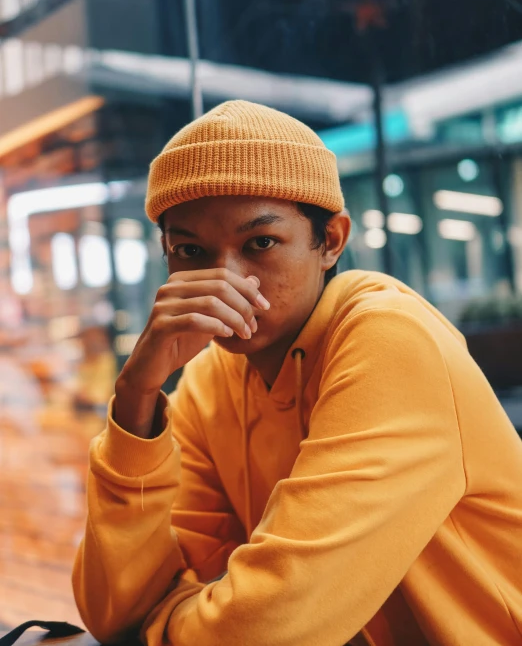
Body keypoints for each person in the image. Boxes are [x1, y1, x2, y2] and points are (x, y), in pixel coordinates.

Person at [73, 100, 522, 646]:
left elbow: (268, 627)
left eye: (260, 243)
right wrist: (135, 399)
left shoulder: (390, 339)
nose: (225, 282)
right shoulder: (210, 380)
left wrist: (165, 626)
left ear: (330, 240)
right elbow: (114, 612)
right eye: (191, 251)